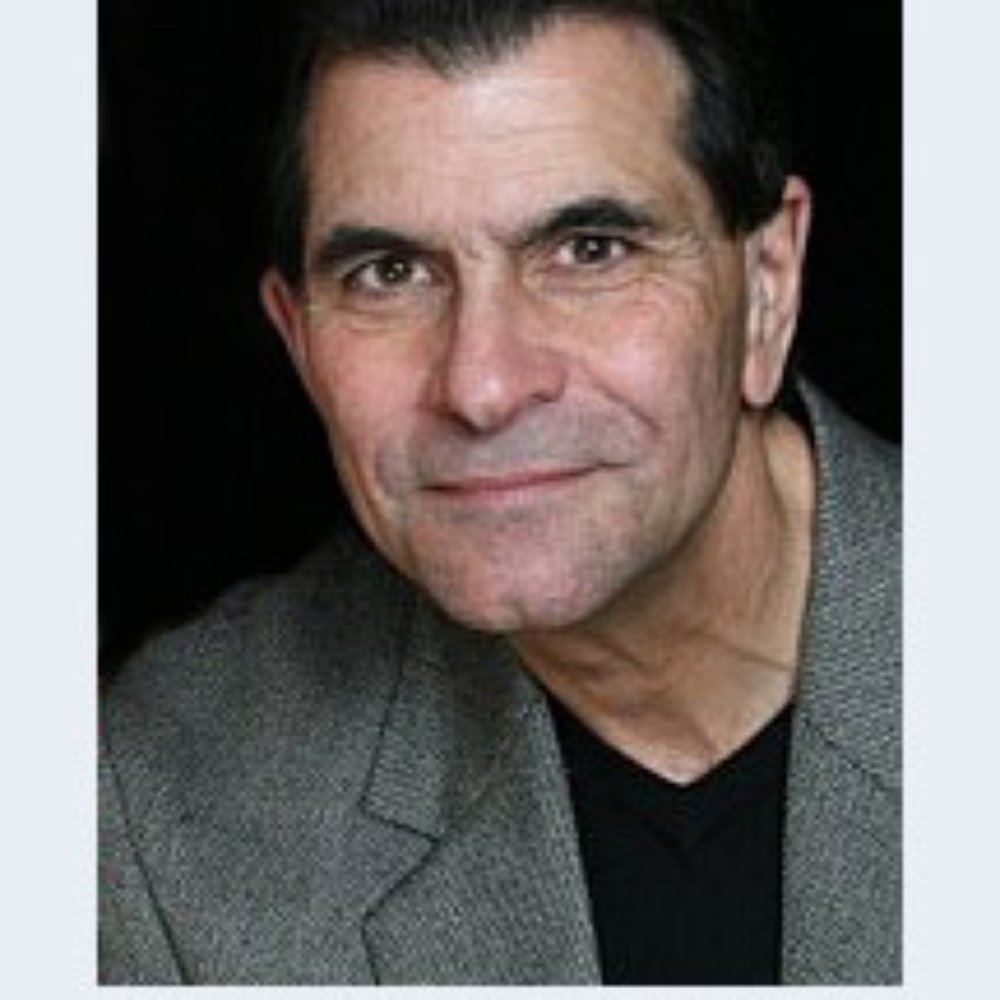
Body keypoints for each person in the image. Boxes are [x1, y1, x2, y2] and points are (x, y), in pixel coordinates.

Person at [99, 0, 900, 985]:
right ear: (298, 342)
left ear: (767, 286)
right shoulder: (167, 806)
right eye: (390, 273)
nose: (481, 386)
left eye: (590, 250)